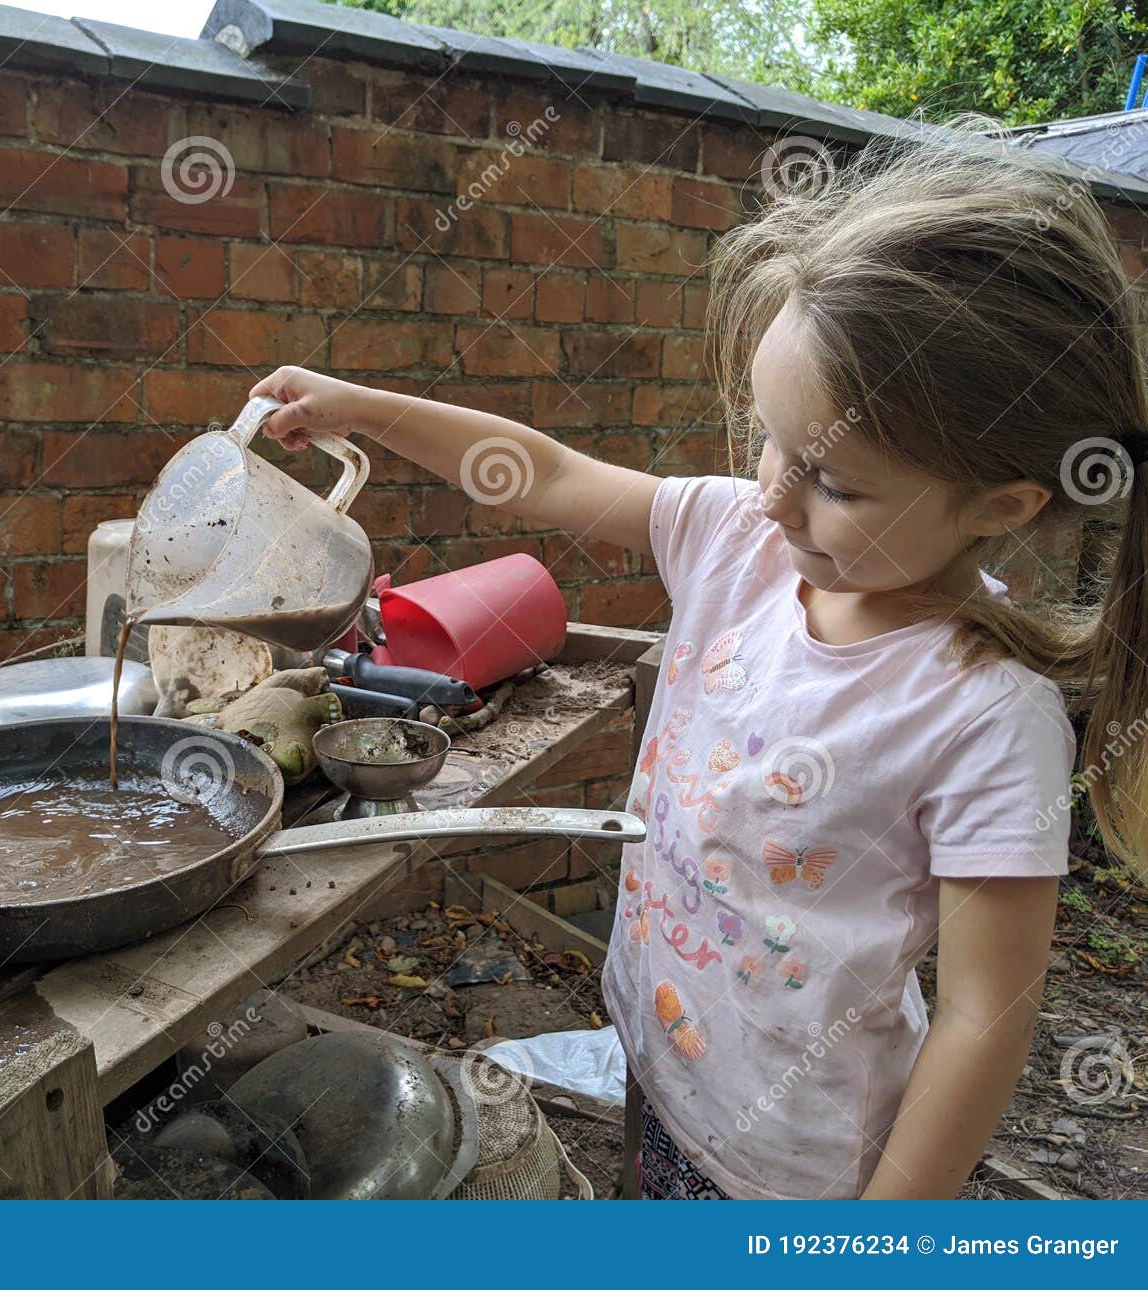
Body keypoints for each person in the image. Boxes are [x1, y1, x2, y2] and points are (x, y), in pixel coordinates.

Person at [249, 123, 1148, 1199]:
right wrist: (363, 409)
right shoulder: (742, 545)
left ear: (999, 505)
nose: (771, 493)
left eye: (835, 483)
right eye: (768, 438)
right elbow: (540, 474)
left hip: (795, 1172)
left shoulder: (985, 718)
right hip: (655, 1060)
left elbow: (982, 1018)